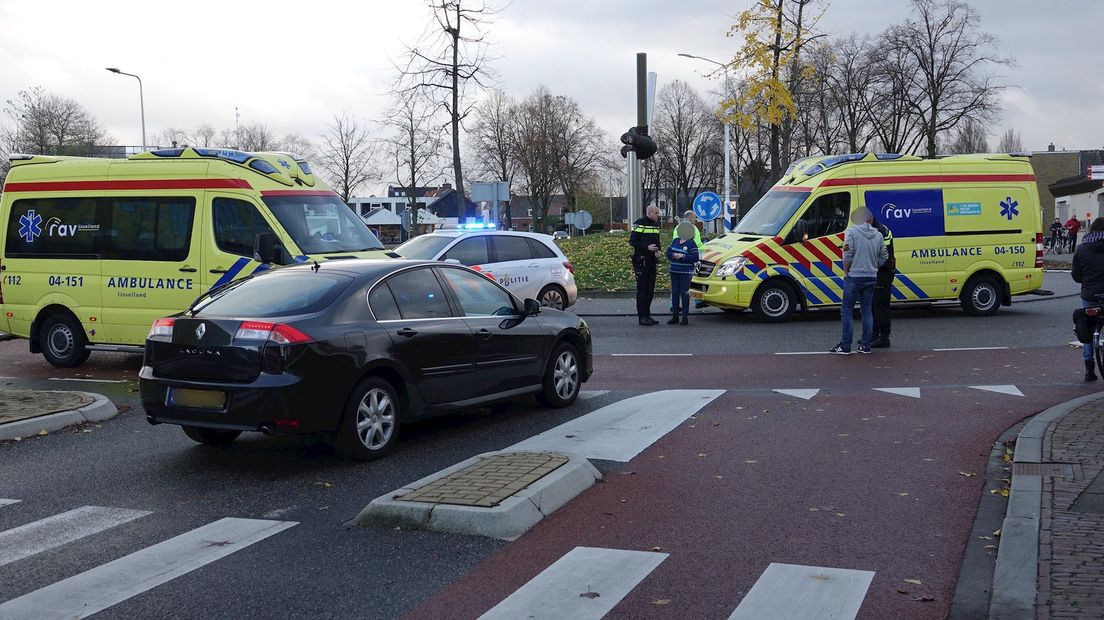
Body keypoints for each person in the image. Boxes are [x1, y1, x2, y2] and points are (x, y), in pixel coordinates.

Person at [830, 207, 888, 355]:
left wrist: (846, 271)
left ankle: (845, 346)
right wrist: (874, 267)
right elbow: (884, 256)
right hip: (871, 277)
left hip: (854, 276)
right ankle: (865, 346)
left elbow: (847, 253)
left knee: (847, 311)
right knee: (867, 311)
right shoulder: (879, 235)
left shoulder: (851, 232)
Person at [1071, 217, 1104, 381]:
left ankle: (1089, 368)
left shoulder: (1081, 249)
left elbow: (1076, 276)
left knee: (1088, 327)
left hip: (1090, 295)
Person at [629, 205, 663, 326]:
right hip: (641, 261)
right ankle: (642, 316)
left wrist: (659, 251)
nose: (658, 215)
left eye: (658, 213)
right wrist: (646, 248)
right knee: (642, 290)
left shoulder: (655, 225)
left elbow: (657, 241)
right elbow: (632, 241)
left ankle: (648, 315)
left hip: (652, 261)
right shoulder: (639, 223)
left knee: (650, 290)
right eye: (656, 213)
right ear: (649, 213)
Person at [666, 222, 699, 325]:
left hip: (685, 272)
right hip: (674, 271)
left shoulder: (691, 243)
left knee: (684, 294)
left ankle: (685, 317)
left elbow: (695, 257)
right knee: (675, 293)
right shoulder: (675, 241)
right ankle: (675, 315)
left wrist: (683, 256)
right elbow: (668, 252)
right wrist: (674, 255)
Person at [870, 218, 896, 348]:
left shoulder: (880, 232)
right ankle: (874, 334)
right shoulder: (876, 228)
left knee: (881, 305)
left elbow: (884, 256)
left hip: (883, 273)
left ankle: (884, 337)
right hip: (879, 272)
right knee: (874, 304)